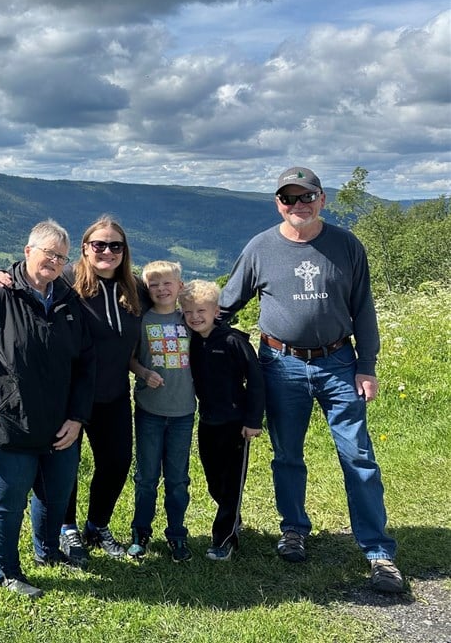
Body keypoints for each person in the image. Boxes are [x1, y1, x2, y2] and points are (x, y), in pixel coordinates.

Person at [219, 166, 405, 593]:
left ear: (322, 200)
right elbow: (227, 304)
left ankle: (378, 552)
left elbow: (363, 308)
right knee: (287, 455)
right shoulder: (261, 247)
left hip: (339, 361)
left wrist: (367, 364)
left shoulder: (345, 245)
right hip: (279, 363)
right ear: (277, 203)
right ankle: (293, 530)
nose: (297, 206)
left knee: (358, 455)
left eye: (306, 197)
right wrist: (210, 351)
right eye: (288, 198)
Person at [0, 219, 95, 599]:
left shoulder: (67, 301)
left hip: (58, 422)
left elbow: (85, 364)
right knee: (10, 497)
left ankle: (47, 552)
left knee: (56, 492)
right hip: (5, 421)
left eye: (61, 257)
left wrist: (77, 416)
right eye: (48, 254)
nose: (54, 263)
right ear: (28, 251)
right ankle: (6, 571)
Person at [0, 215, 142, 562]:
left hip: (114, 394)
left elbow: (167, 299)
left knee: (116, 463)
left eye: (115, 246)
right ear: (85, 249)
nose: (106, 251)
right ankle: (66, 529)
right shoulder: (68, 281)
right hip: (67, 395)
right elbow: (32, 276)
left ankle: (97, 526)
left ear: (124, 251)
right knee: (65, 467)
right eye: (98, 244)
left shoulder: (134, 287)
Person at [180, 279, 264, 561]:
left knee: (231, 483)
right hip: (208, 422)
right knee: (213, 480)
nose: (195, 317)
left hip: (235, 423)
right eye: (189, 311)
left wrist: (253, 420)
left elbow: (256, 381)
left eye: (201, 311)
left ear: (216, 311)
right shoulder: (191, 342)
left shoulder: (233, 342)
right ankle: (232, 517)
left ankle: (224, 539)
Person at [126, 261, 195, 562]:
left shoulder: (190, 319)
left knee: (178, 479)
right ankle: (141, 532)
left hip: (183, 411)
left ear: (180, 286)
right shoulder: (141, 320)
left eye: (168, 283)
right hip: (149, 410)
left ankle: (177, 533)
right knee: (146, 477)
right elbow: (129, 358)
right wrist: (143, 372)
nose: (161, 289)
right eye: (154, 285)